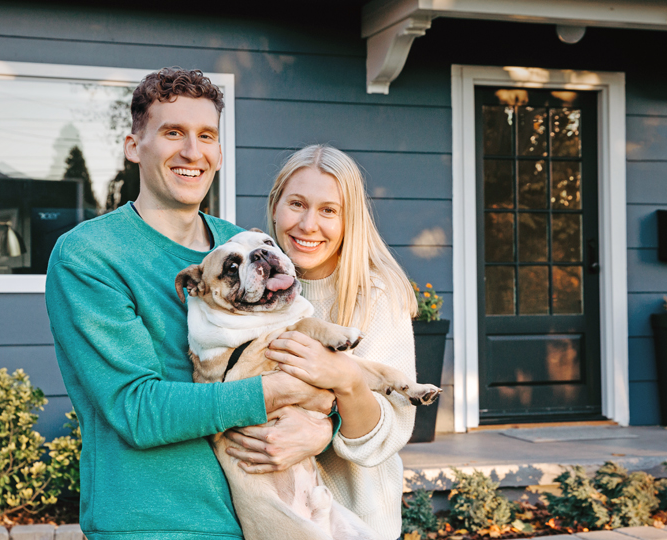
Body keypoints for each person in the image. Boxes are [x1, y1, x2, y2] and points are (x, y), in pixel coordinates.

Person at [45, 68, 335, 539]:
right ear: (133, 146)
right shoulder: (89, 256)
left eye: (206, 136)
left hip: (268, 519)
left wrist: (323, 427)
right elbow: (137, 410)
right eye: (172, 132)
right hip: (154, 525)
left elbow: (311, 356)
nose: (192, 152)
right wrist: (282, 392)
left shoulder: (241, 248)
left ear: (219, 152)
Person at [227, 144, 419, 540]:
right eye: (296, 203)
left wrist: (340, 389)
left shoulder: (378, 294)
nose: (308, 224)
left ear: (350, 220)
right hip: (276, 521)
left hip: (360, 521)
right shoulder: (243, 287)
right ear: (275, 206)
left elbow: (390, 430)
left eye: (329, 210)